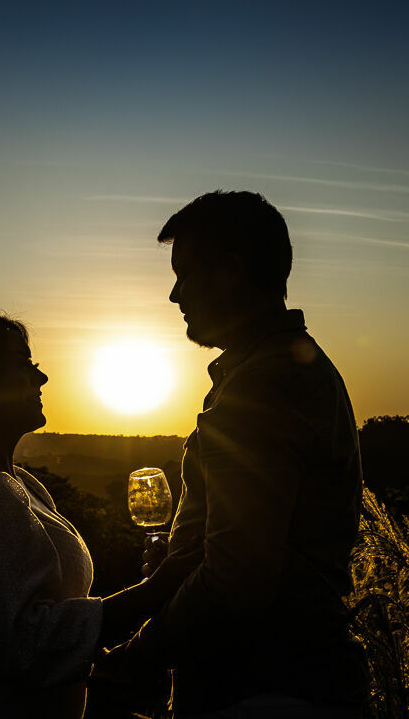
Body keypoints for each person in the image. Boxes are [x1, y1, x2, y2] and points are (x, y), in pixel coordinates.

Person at [101, 191, 369, 717]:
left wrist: (126, 664)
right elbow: (198, 558)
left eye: (184, 275)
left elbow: (234, 579)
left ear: (228, 271)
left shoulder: (261, 386)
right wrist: (98, 625)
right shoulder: (279, 369)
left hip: (269, 688)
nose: (175, 295)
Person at [0, 314, 196, 719]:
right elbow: (28, 644)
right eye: (23, 363)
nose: (42, 378)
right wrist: (163, 585)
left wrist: (114, 662)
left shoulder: (21, 485)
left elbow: (44, 624)